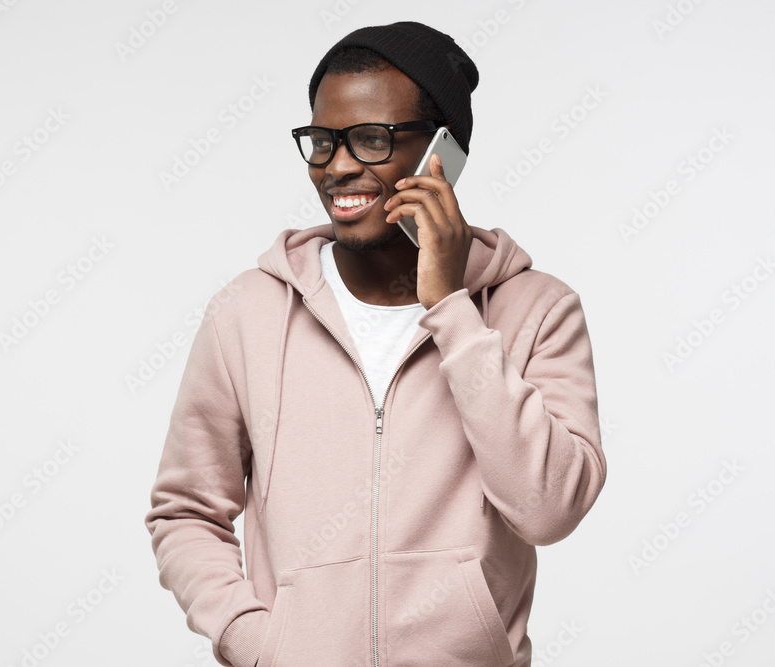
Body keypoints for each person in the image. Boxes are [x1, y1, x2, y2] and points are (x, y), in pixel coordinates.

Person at [146, 21, 606, 667]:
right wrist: (254, 640)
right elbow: (185, 511)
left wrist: (450, 308)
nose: (337, 166)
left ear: (443, 152)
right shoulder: (247, 312)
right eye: (322, 141)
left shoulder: (535, 308)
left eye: (371, 139)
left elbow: (549, 508)